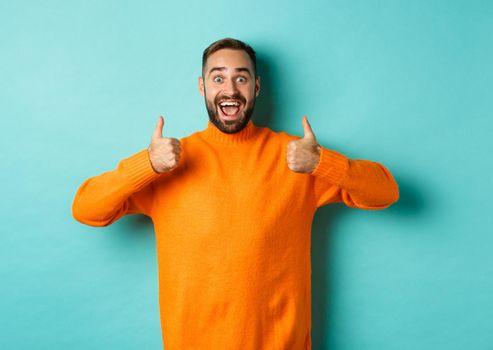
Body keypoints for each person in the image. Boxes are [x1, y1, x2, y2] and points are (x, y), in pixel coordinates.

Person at [72, 37, 399, 350]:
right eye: (217, 78)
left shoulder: (295, 157)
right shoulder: (171, 162)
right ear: (202, 87)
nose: (230, 90)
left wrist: (322, 162)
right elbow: (86, 208)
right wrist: (147, 164)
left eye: (241, 79)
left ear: (256, 87)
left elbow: (384, 191)